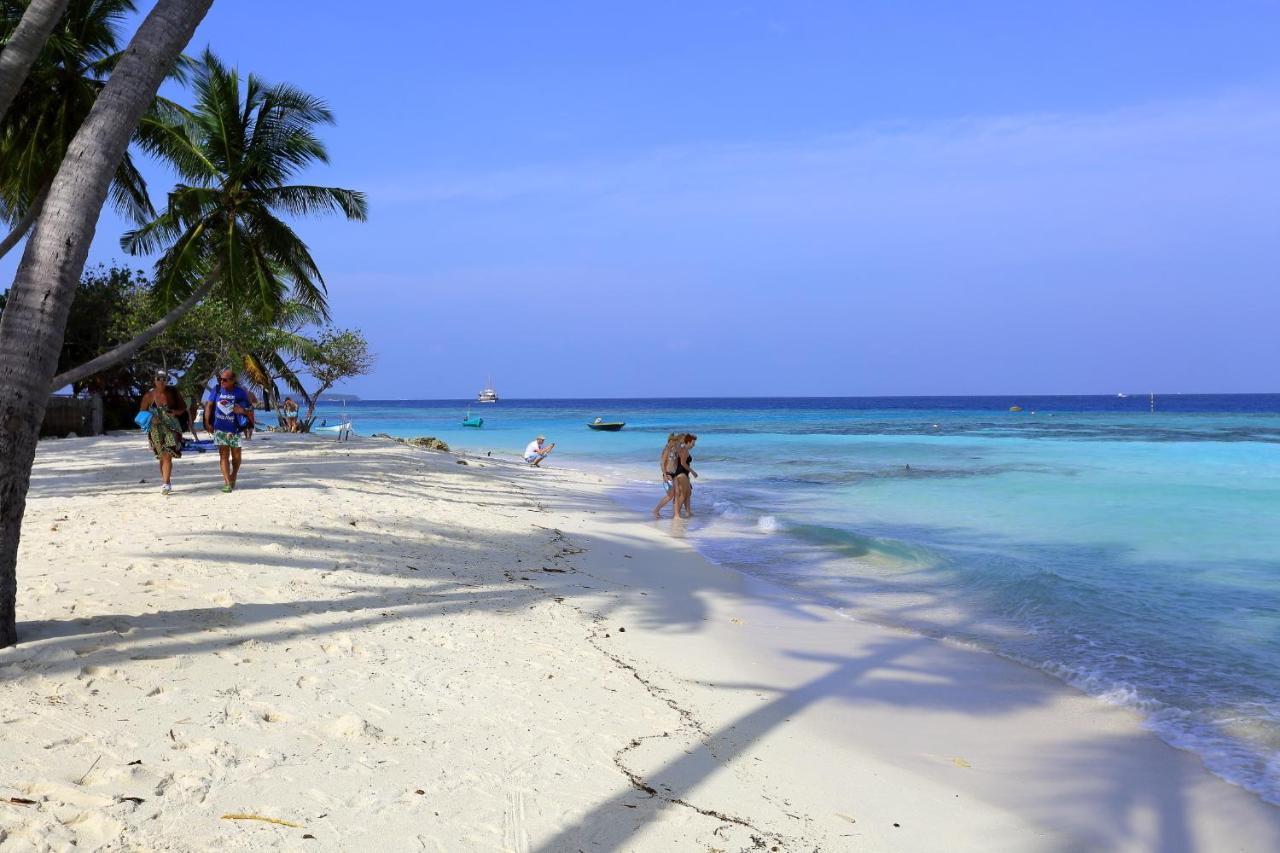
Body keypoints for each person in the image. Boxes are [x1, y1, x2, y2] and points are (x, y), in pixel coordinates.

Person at [204, 368, 254, 492]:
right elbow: (209, 406)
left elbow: (250, 410)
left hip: (235, 429)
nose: (222, 382)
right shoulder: (216, 390)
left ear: (232, 380)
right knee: (223, 455)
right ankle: (227, 482)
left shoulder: (240, 392)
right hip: (219, 427)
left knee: (236, 457)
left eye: (225, 380)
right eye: (221, 379)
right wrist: (207, 423)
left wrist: (241, 410)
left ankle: (234, 475)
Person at [139, 372, 185, 495]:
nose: (161, 381)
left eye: (164, 379)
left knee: (167, 454)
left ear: (167, 380)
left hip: (172, 428)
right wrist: (151, 418)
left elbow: (182, 409)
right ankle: (166, 482)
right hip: (155, 430)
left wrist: (175, 412)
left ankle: (166, 483)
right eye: (158, 378)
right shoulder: (149, 396)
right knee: (161, 456)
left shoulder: (173, 393)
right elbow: (141, 413)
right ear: (154, 380)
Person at [651, 433, 681, 518]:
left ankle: (676, 515)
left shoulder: (674, 450)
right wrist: (665, 476)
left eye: (676, 441)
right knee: (670, 496)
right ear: (670, 441)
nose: (676, 443)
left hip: (674, 474)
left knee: (677, 493)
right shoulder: (667, 450)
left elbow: (675, 462)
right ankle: (656, 510)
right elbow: (662, 463)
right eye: (674, 441)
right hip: (668, 474)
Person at [672, 434, 698, 518]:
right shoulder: (684, 450)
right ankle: (677, 514)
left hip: (683, 474)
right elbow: (683, 463)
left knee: (688, 492)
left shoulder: (683, 449)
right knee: (683, 494)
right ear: (688, 442)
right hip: (681, 473)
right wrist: (693, 472)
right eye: (693, 443)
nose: (694, 445)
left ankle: (688, 512)